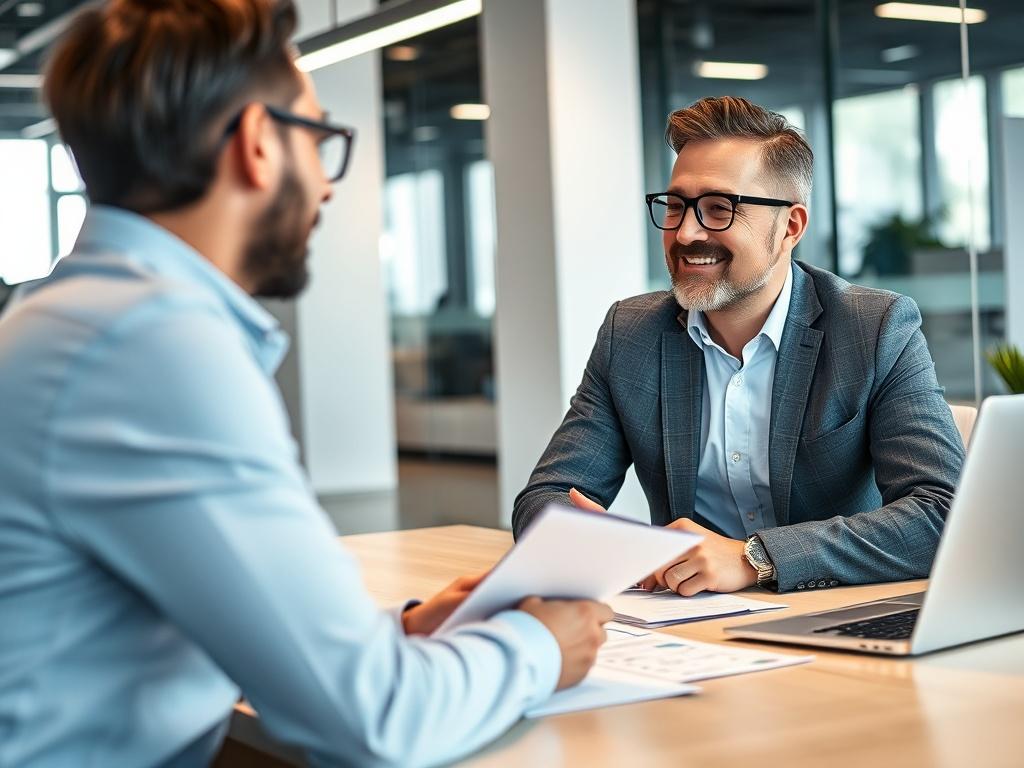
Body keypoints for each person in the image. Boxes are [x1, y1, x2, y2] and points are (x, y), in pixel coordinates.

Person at [0, 1, 612, 766]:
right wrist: (538, 645)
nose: (326, 186)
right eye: (320, 140)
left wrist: (396, 635)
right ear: (259, 144)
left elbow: (177, 619)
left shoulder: (73, 317)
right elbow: (373, 724)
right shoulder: (151, 349)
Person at [513, 96, 964, 597]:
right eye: (677, 206)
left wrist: (756, 558)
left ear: (790, 226)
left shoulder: (873, 328)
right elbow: (544, 499)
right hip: (687, 624)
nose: (685, 232)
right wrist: (603, 545)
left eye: (718, 209)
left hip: (829, 615)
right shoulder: (631, 333)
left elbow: (943, 515)